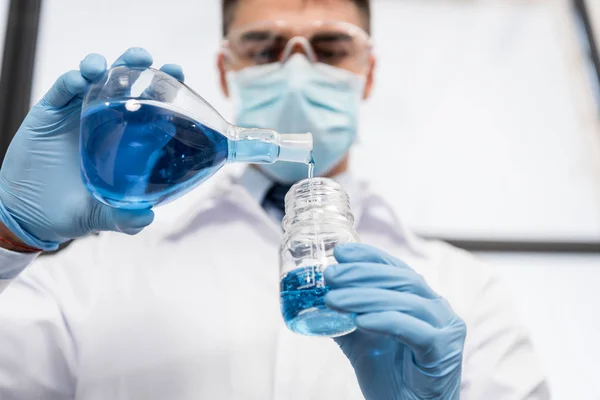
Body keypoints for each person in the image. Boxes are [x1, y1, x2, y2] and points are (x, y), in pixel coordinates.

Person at [0, 0, 550, 399]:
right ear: (225, 68)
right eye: (264, 47)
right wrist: (9, 235)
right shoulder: (88, 278)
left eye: (331, 47)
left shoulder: (467, 294)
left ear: (368, 72)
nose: (296, 68)